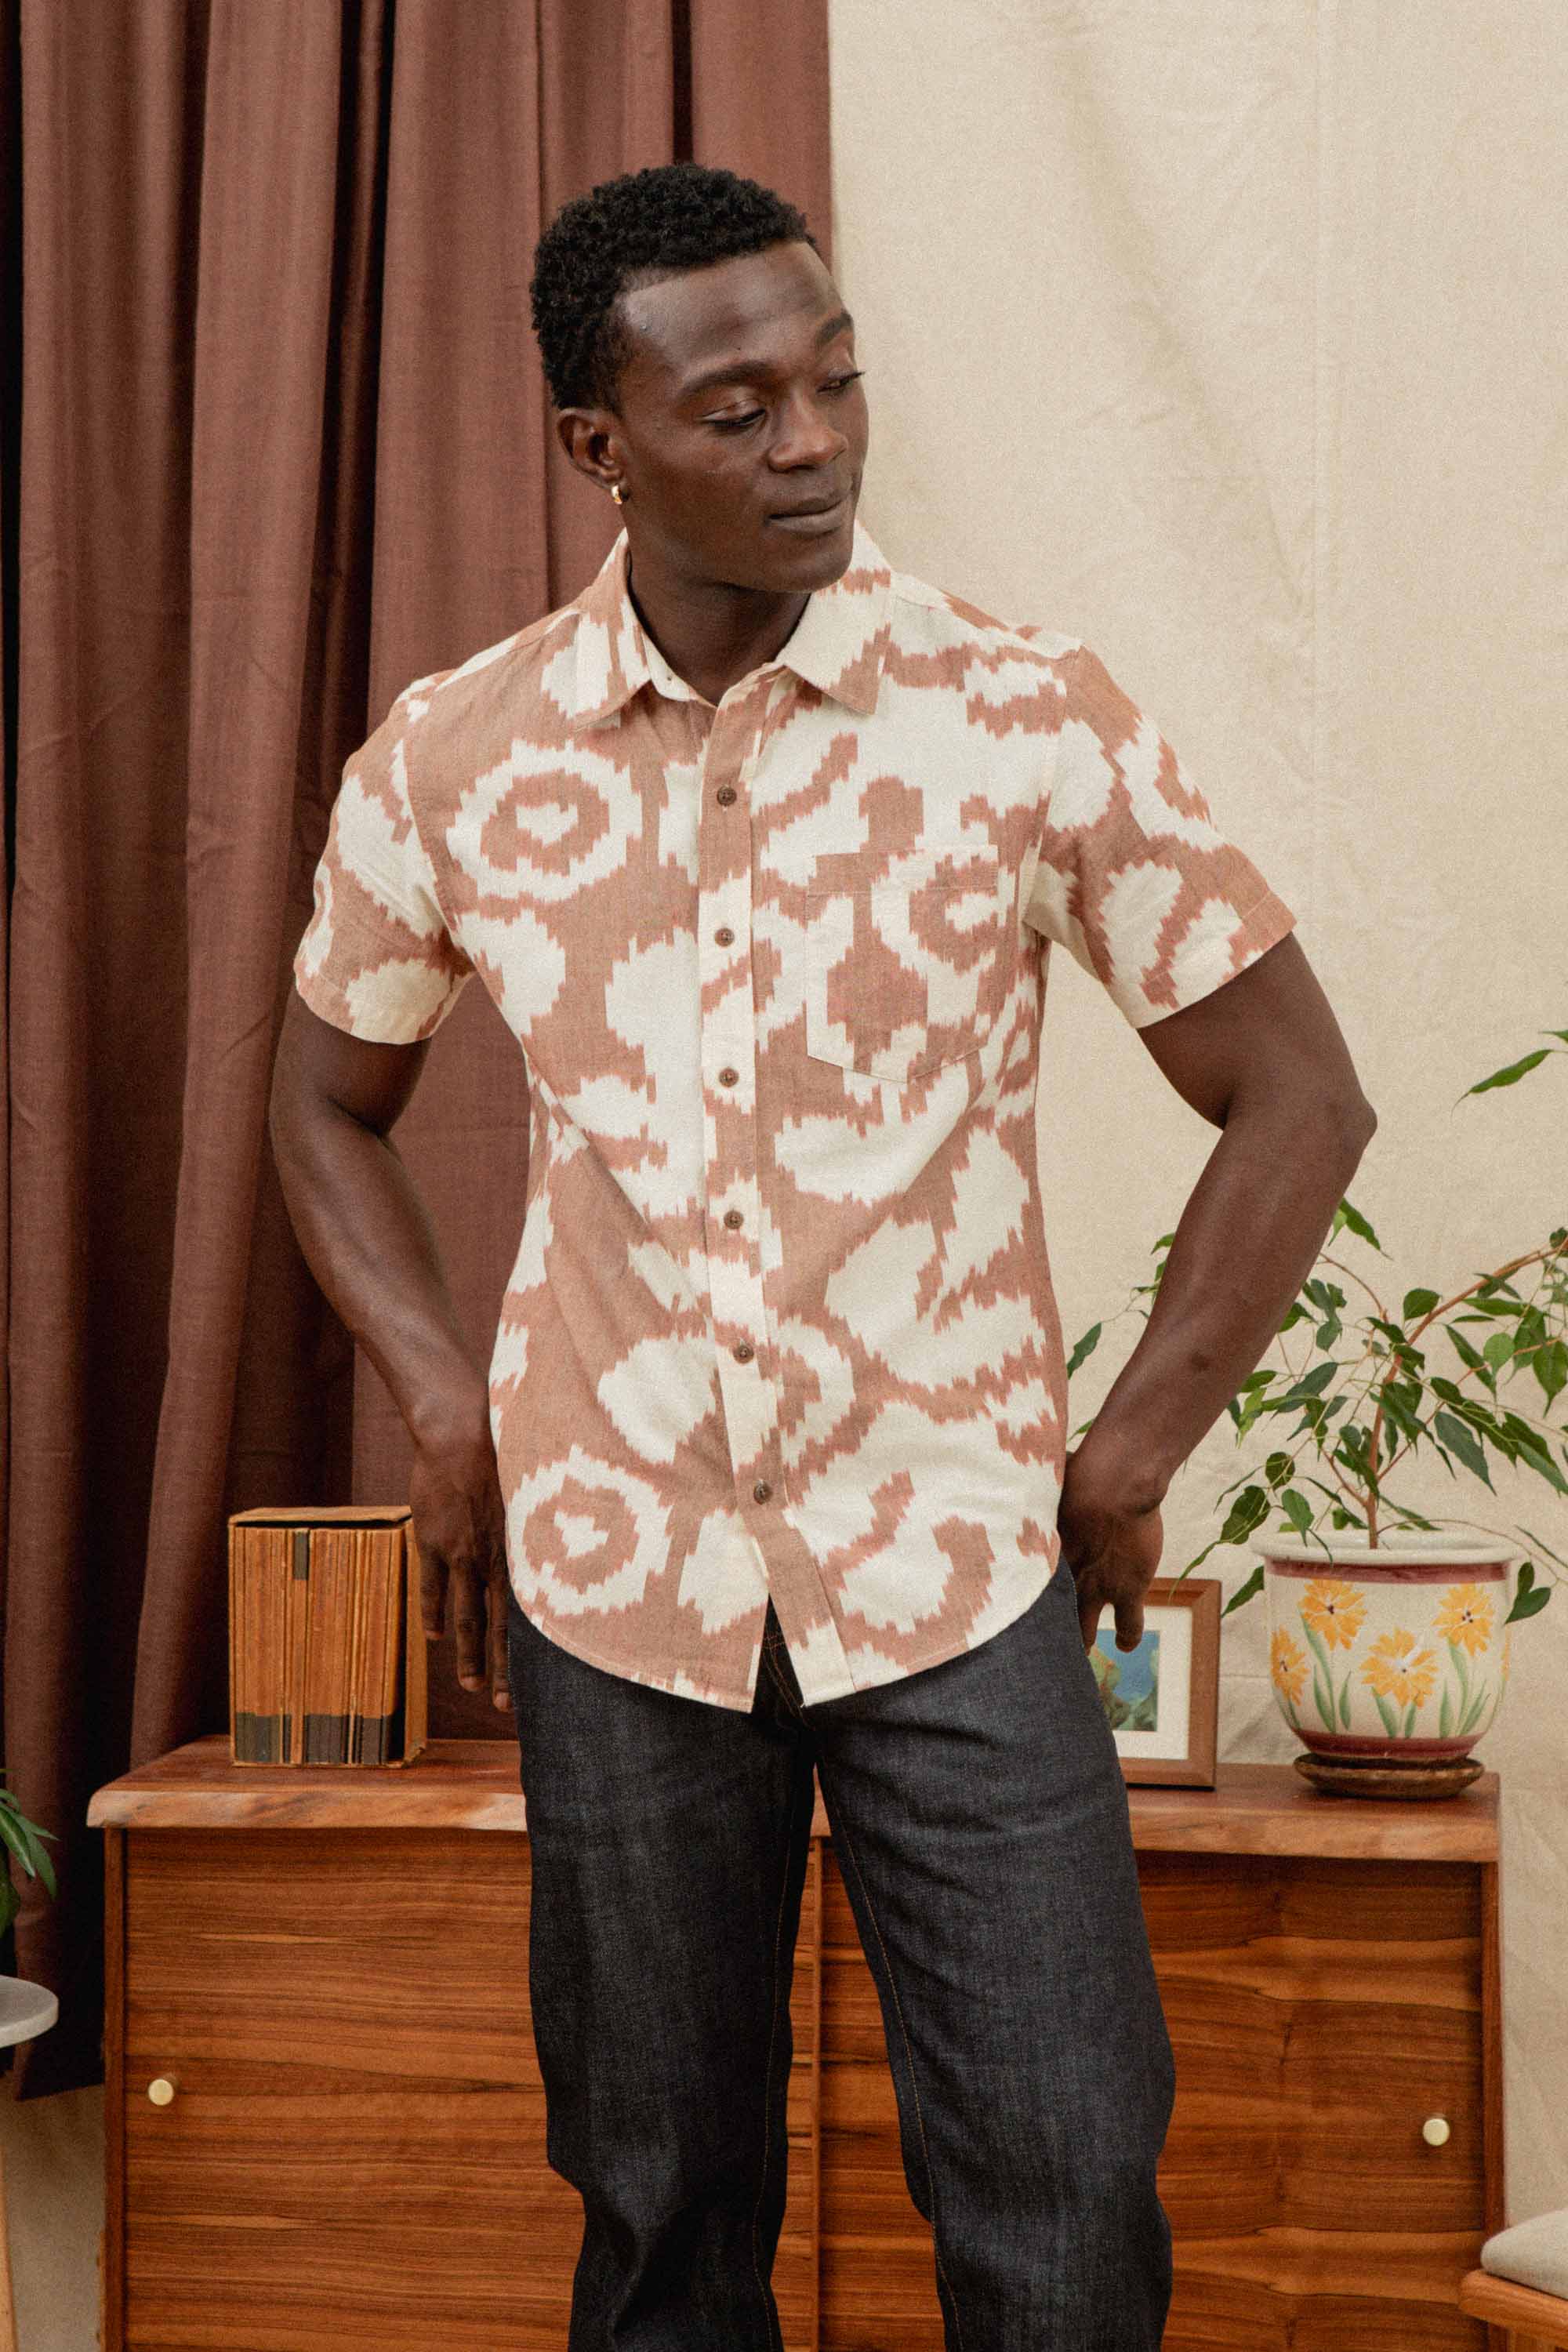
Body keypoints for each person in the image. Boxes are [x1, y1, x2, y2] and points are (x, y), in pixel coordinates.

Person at [270, 160, 1376, 2351]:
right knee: (662, 2219)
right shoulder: (453, 758)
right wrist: (433, 1390)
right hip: (620, 1585)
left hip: (960, 1573)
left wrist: (1132, 1447)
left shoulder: (1026, 716)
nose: (813, 445)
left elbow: (1298, 1092)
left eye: (838, 384)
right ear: (598, 443)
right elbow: (324, 1102)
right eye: (741, 406)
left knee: (1065, 2200)